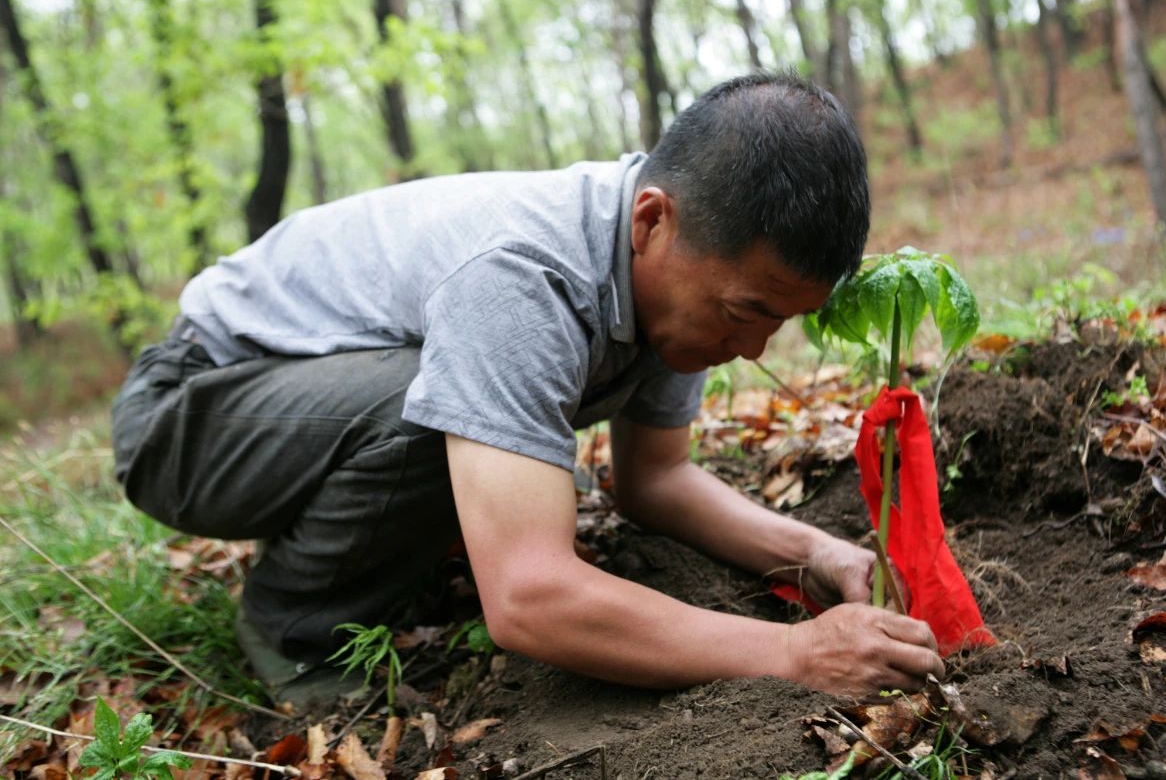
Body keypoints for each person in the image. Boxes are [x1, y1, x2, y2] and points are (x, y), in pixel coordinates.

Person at [110, 72, 944, 706]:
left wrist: (817, 552)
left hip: (294, 404)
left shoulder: (664, 274)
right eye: (745, 312)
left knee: (468, 426)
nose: (753, 347)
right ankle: (293, 623)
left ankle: (365, 545)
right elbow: (529, 598)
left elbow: (656, 481)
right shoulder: (525, 277)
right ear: (653, 220)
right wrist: (796, 655)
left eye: (779, 323)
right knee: (433, 410)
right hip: (188, 418)